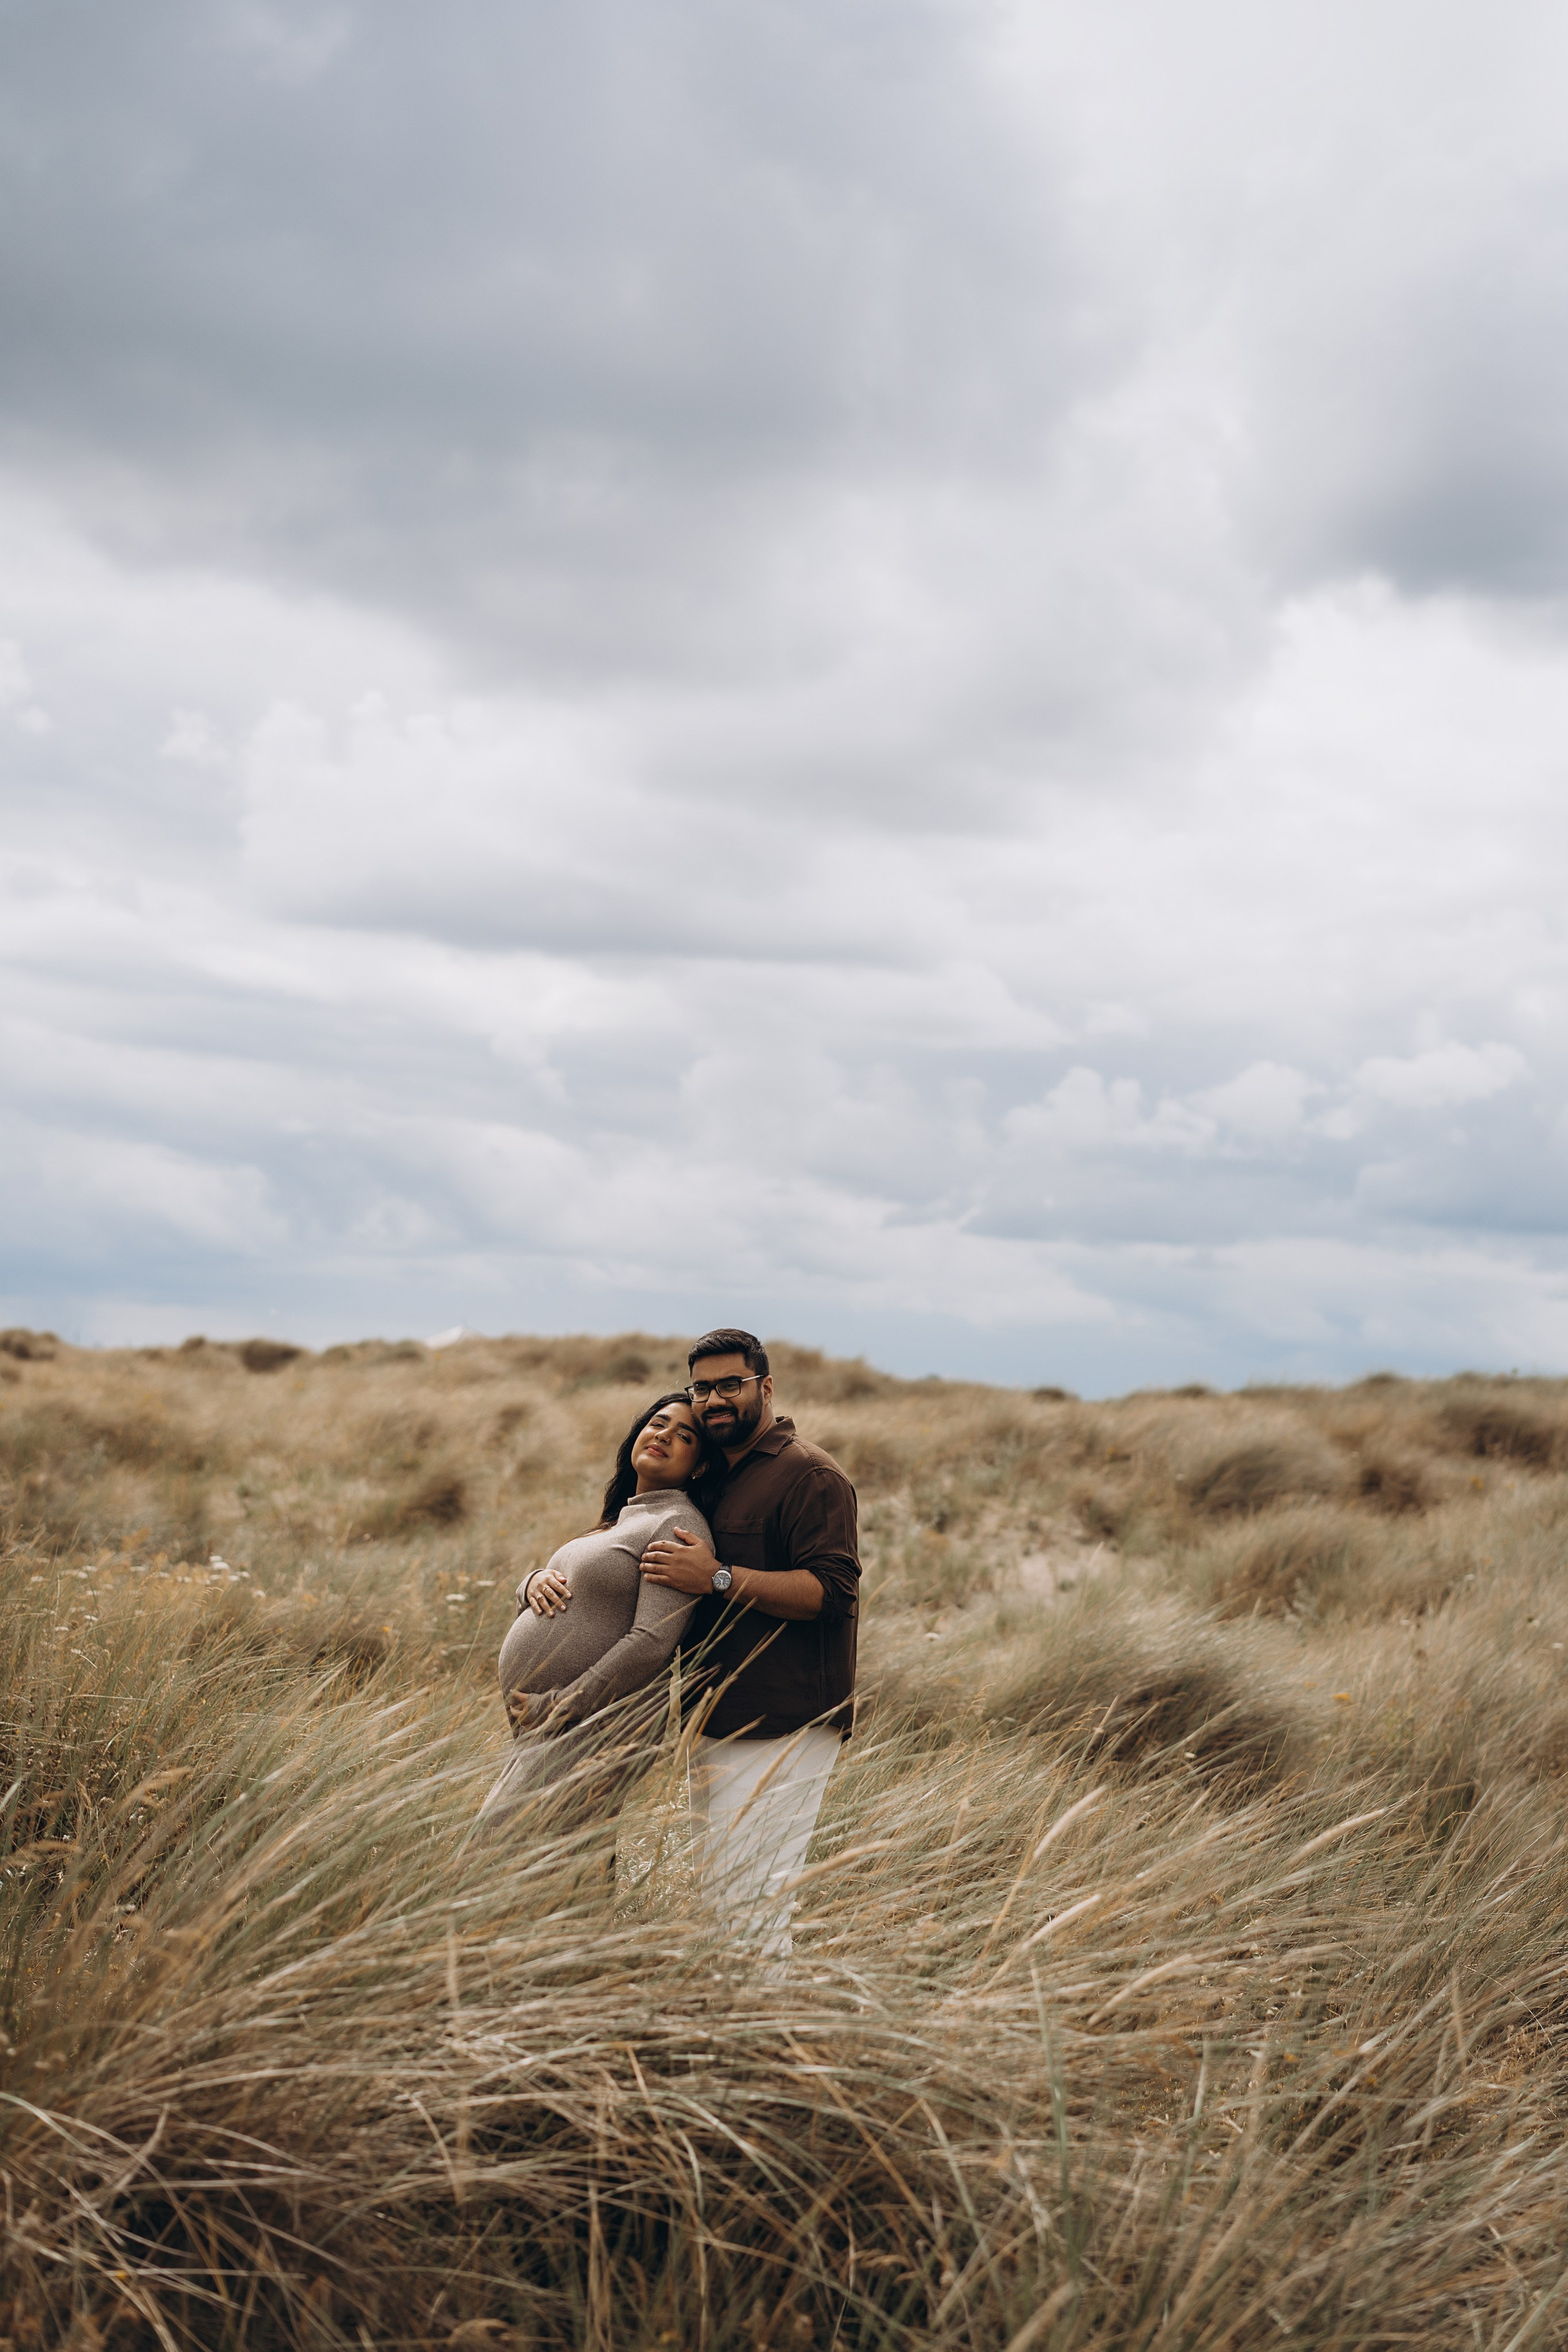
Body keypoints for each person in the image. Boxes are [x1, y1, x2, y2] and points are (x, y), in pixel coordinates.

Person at [639, 1328, 859, 1960]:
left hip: (784, 1723)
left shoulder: (810, 1476)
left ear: (764, 1387)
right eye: (701, 1387)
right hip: (714, 1717)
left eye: (729, 1385)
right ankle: (730, 2045)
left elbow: (832, 1591)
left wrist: (717, 1577)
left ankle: (774, 2049)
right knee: (716, 1902)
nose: (714, 1400)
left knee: (754, 1908)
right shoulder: (712, 1475)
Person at [475, 1392, 717, 1830]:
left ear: (699, 1466)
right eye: (658, 1423)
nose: (664, 1435)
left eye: (684, 1436)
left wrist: (562, 1703)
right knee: (566, 1864)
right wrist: (530, 1583)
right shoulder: (624, 1519)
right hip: (555, 1727)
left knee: (501, 1848)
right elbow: (570, 1592)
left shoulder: (676, 1524)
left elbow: (654, 1640)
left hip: (596, 1722)